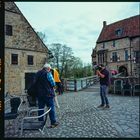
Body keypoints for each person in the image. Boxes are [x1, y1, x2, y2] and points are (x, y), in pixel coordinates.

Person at [35, 63, 59, 128]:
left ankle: (40, 123)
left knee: (40, 109)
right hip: (48, 94)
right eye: (50, 69)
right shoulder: (48, 74)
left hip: (39, 94)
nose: (50, 70)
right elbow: (53, 83)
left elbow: (35, 83)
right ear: (48, 68)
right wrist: (54, 87)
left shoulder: (37, 73)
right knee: (51, 108)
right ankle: (53, 122)